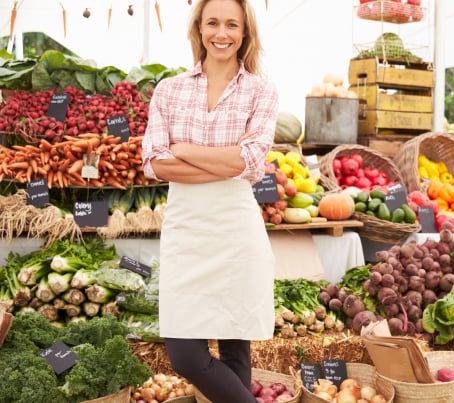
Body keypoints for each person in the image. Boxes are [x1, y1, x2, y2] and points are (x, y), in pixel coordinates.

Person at [141, 1, 277, 401]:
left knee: (236, 346)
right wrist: (225, 162)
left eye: (232, 24)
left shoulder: (261, 90)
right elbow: (155, 164)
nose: (222, 33)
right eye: (213, 22)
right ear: (198, 28)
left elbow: (250, 160)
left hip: (236, 229)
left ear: (245, 32)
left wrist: (184, 149)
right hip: (187, 230)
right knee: (184, 354)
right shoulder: (169, 89)